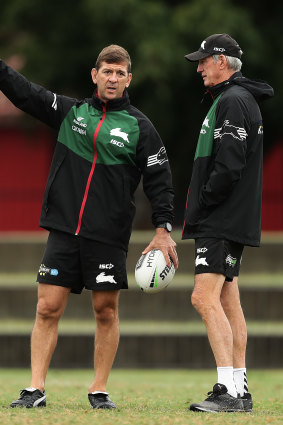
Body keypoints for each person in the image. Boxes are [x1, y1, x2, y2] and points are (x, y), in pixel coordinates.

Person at [2, 44, 178, 409]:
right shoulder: (71, 113)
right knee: (46, 308)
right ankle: (35, 389)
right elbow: (24, 93)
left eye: (120, 73)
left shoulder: (141, 128)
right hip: (64, 230)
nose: (112, 78)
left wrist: (163, 229)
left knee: (106, 311)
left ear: (129, 79)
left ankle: (99, 390)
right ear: (94, 75)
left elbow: (160, 179)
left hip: (108, 236)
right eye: (107, 71)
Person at [182, 34, 273, 412]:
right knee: (227, 300)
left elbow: (229, 165)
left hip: (221, 218)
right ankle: (240, 386)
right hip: (230, 218)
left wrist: (202, 207)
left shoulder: (233, 101)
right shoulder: (237, 98)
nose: (199, 67)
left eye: (204, 60)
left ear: (222, 61)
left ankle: (227, 392)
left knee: (203, 297)